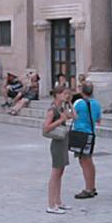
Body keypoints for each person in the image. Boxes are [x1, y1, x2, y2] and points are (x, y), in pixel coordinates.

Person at [43, 84, 76, 214]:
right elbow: (46, 128)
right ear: (57, 94)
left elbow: (74, 116)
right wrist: (60, 120)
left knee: (60, 173)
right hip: (57, 143)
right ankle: (51, 204)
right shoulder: (52, 109)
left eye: (67, 94)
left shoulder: (61, 108)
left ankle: (58, 201)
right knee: (55, 174)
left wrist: (70, 103)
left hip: (63, 141)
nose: (66, 95)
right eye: (64, 94)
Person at [73, 82, 102, 199]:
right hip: (91, 133)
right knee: (89, 160)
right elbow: (98, 119)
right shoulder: (96, 103)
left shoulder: (79, 103)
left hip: (80, 133)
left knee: (84, 161)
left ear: (82, 91)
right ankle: (92, 186)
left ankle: (88, 188)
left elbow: (72, 116)